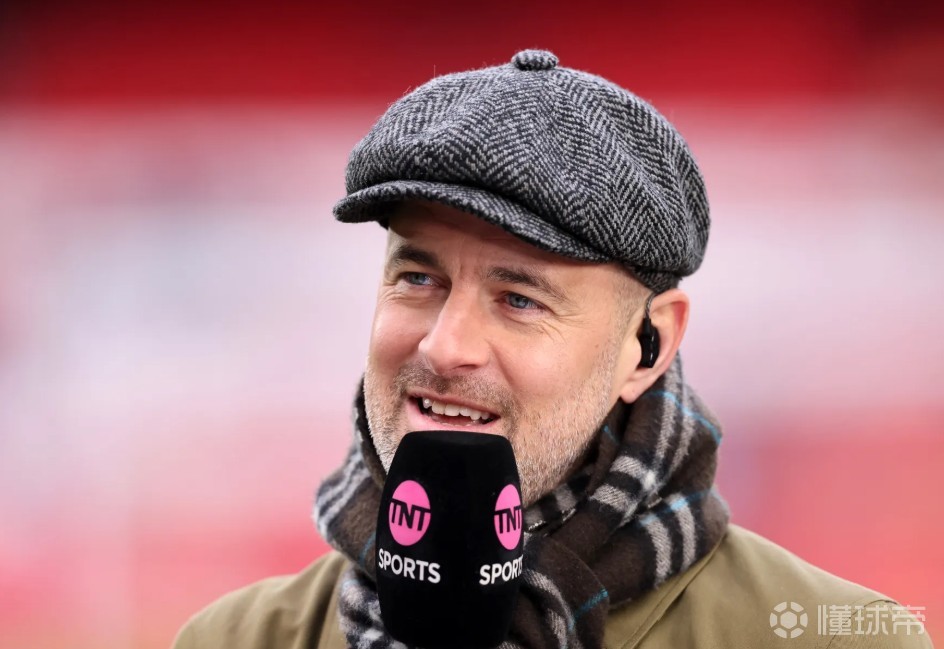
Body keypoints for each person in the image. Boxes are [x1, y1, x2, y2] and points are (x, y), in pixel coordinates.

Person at [173, 50, 932, 649]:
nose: (445, 345)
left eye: (519, 299)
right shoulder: (235, 639)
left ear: (649, 346)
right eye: (418, 278)